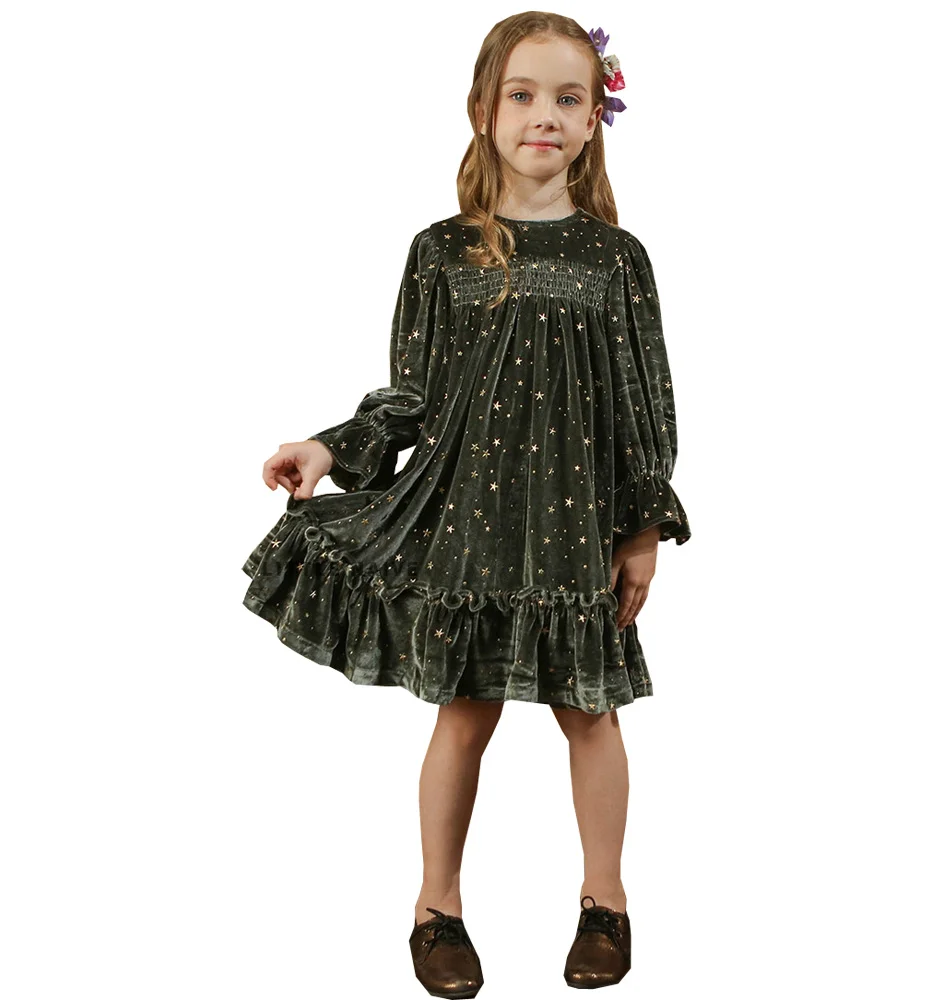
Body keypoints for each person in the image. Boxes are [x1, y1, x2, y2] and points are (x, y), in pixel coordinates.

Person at [241, 12, 691, 995]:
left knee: (591, 713)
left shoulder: (616, 260)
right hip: (469, 522)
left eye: (567, 97)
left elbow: (641, 405)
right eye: (522, 95)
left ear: (595, 116)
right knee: (463, 715)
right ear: (483, 111)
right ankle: (435, 908)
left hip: (572, 523)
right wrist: (330, 447)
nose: (544, 115)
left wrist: (643, 529)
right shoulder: (441, 251)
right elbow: (410, 396)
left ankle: (606, 900)